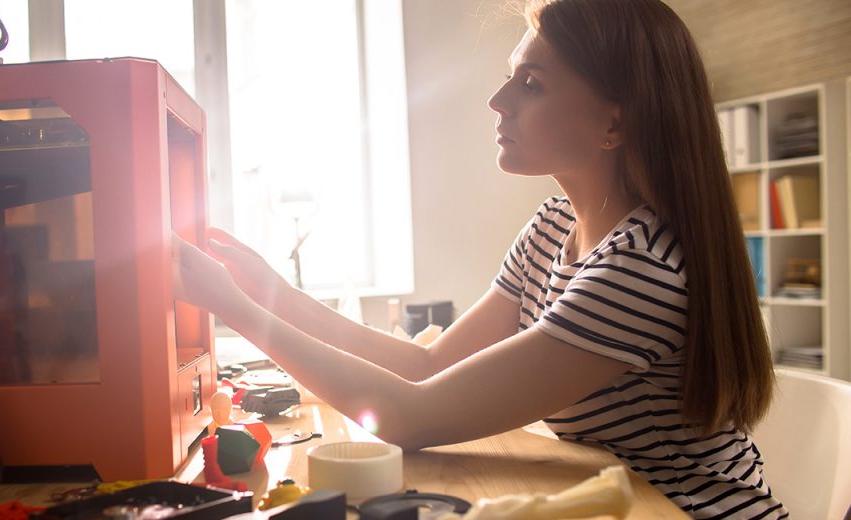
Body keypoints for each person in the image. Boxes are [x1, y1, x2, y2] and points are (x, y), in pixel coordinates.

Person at [173, 0, 787, 517]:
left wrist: (235, 308)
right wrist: (272, 293)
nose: (497, 100)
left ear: (613, 124)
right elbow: (427, 364)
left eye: (532, 84)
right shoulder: (554, 226)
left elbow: (409, 415)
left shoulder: (640, 269)